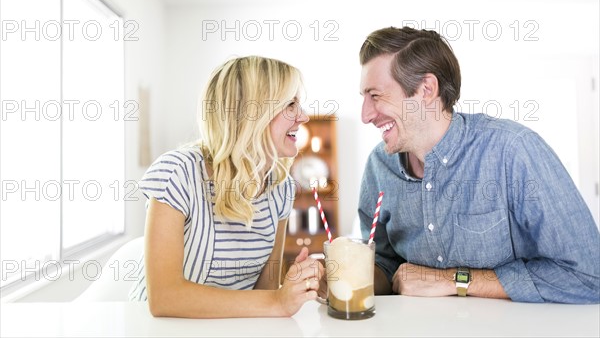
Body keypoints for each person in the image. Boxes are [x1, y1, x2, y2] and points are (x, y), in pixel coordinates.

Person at [357, 26, 600, 304]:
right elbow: (387, 267)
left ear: (426, 89)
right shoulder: (379, 166)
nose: (365, 115)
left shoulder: (514, 151)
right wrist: (343, 278)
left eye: (375, 96)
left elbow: (589, 276)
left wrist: (452, 280)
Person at [129, 56, 324, 317]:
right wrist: (277, 302)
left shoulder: (281, 188)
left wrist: (291, 286)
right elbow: (165, 298)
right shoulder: (178, 173)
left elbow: (264, 293)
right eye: (290, 104)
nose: (303, 116)